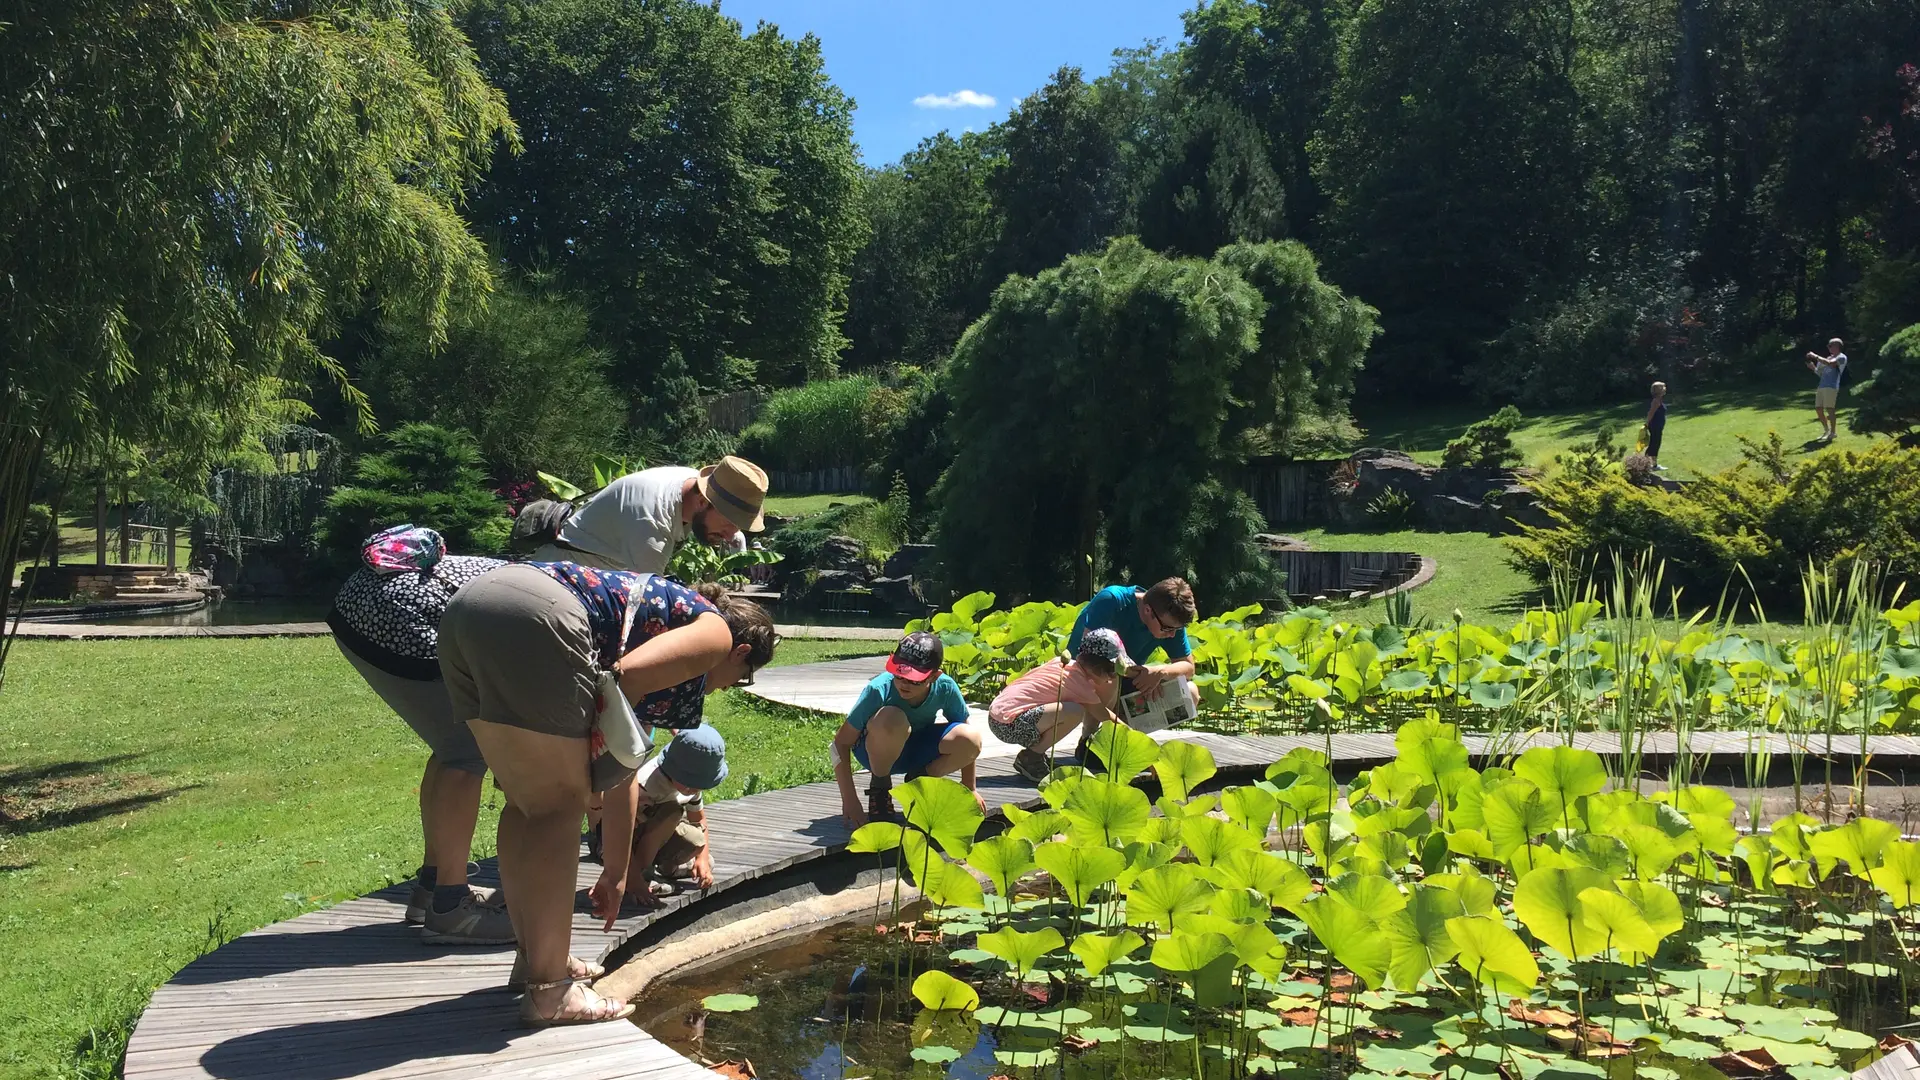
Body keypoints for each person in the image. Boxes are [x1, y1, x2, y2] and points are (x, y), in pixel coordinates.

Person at [437, 563, 774, 1027]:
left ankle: (537, 961)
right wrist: (591, 787)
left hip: (469, 608)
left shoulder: (660, 621)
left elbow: (623, 768)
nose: (725, 687)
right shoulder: (711, 633)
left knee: (525, 802)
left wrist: (617, 870)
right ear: (739, 654)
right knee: (558, 805)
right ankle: (551, 993)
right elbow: (624, 680)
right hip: (538, 615)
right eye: (740, 678)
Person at [326, 525, 512, 944]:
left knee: (452, 748)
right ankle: (450, 907)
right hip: (396, 615)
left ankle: (431, 889)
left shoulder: (553, 581)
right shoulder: (579, 606)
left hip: (355, 606)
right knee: (466, 750)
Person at [832, 631, 984, 828]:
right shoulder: (879, 689)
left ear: (935, 676)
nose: (904, 684)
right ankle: (880, 786)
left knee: (971, 738)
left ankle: (919, 780)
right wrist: (850, 799)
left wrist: (969, 787)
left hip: (915, 750)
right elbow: (840, 743)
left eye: (915, 679)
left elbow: (963, 731)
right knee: (891, 717)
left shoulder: (946, 687)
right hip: (875, 752)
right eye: (900, 674)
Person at [529, 456, 769, 573]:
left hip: (599, 574)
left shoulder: (690, 483)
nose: (730, 537)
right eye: (729, 523)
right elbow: (648, 602)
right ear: (703, 500)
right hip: (559, 577)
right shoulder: (652, 522)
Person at [1066, 578, 1201, 747]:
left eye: (1177, 629)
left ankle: (1120, 741)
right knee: (1109, 671)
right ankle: (1087, 740)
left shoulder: (1166, 620)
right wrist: (1142, 674)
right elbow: (1090, 655)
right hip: (1082, 679)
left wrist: (1159, 673)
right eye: (1168, 629)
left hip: (1124, 683)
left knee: (1190, 693)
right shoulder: (1112, 600)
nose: (1172, 635)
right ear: (1147, 610)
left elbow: (1188, 667)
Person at [607, 725, 727, 906]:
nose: (694, 790)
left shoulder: (691, 786)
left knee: (699, 846)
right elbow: (620, 833)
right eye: (692, 784)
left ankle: (667, 868)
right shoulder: (646, 784)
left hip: (658, 835)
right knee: (672, 812)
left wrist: (701, 858)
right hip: (627, 838)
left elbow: (699, 819)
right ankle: (640, 876)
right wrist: (632, 877)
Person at [990, 629, 1130, 783]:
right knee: (1075, 711)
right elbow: (1105, 716)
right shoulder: (1080, 684)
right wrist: (1135, 739)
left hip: (998, 718)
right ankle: (1031, 757)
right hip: (1008, 725)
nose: (1112, 678)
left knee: (1063, 708)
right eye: (1111, 671)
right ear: (1096, 666)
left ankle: (1037, 755)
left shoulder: (1062, 664)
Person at [1806, 338, 1849, 442]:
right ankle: (1826, 430)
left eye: (1830, 345)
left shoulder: (1841, 357)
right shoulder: (1828, 358)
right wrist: (1813, 369)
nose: (1828, 347)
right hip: (1821, 386)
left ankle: (1833, 432)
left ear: (1837, 346)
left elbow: (1831, 364)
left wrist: (1815, 356)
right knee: (1818, 409)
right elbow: (1821, 374)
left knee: (1830, 409)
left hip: (1832, 386)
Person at [1644, 382, 1668, 470]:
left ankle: (1650, 464)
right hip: (1655, 426)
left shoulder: (1659, 400)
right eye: (1663, 387)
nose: (1665, 389)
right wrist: (1647, 423)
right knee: (1654, 444)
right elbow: (1651, 413)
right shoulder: (1656, 401)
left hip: (1658, 426)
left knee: (1655, 444)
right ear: (1659, 390)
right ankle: (1650, 464)